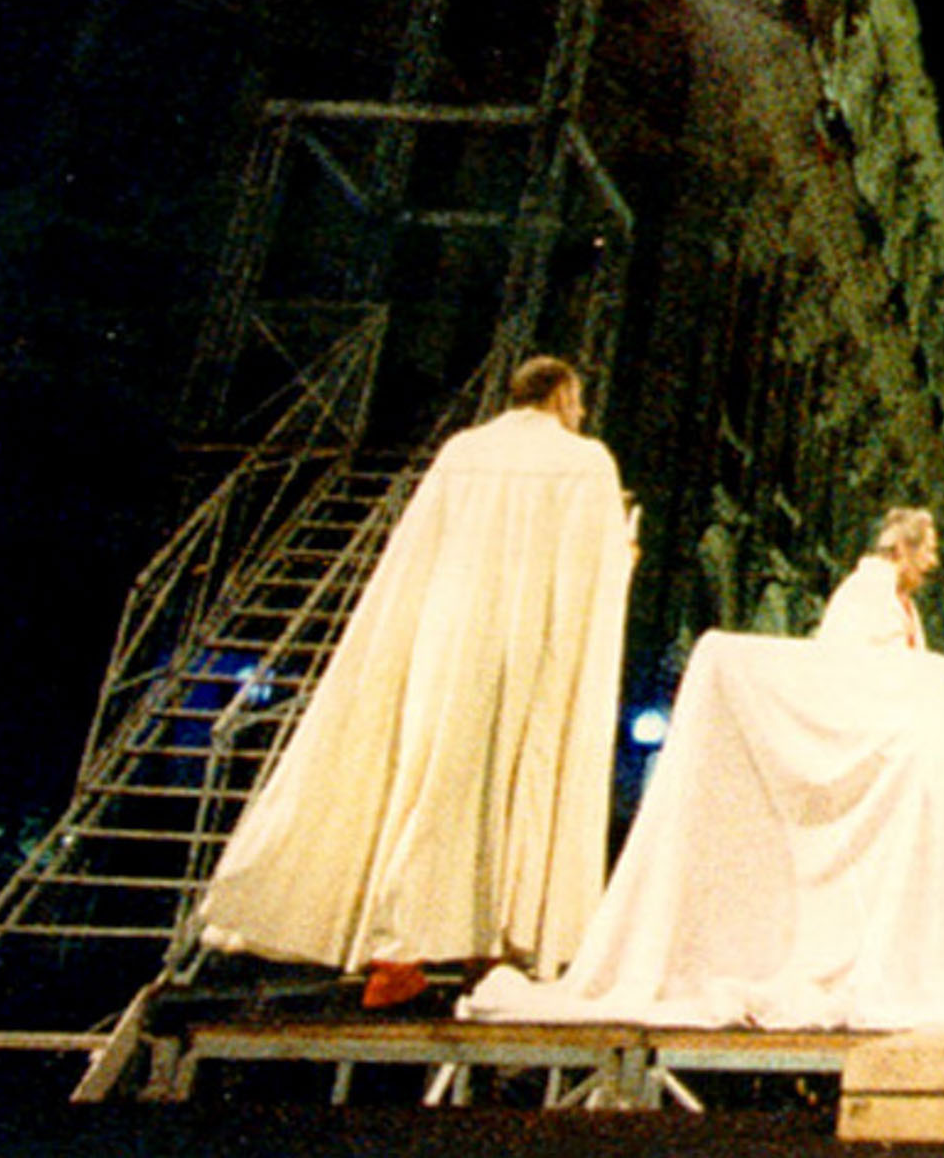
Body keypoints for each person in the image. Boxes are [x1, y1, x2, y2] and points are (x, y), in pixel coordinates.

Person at [194, 355, 634, 1009]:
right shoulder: (585, 460)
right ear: (563, 396)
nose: (583, 412)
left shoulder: (462, 452)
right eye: (579, 400)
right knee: (512, 787)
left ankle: (402, 951)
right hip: (527, 650)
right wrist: (625, 550)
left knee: (431, 785)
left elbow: (417, 549)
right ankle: (494, 943)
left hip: (447, 646)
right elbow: (596, 565)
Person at [811, 507, 939, 649]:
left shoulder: (898, 597)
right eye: (929, 550)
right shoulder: (870, 592)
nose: (933, 561)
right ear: (902, 549)